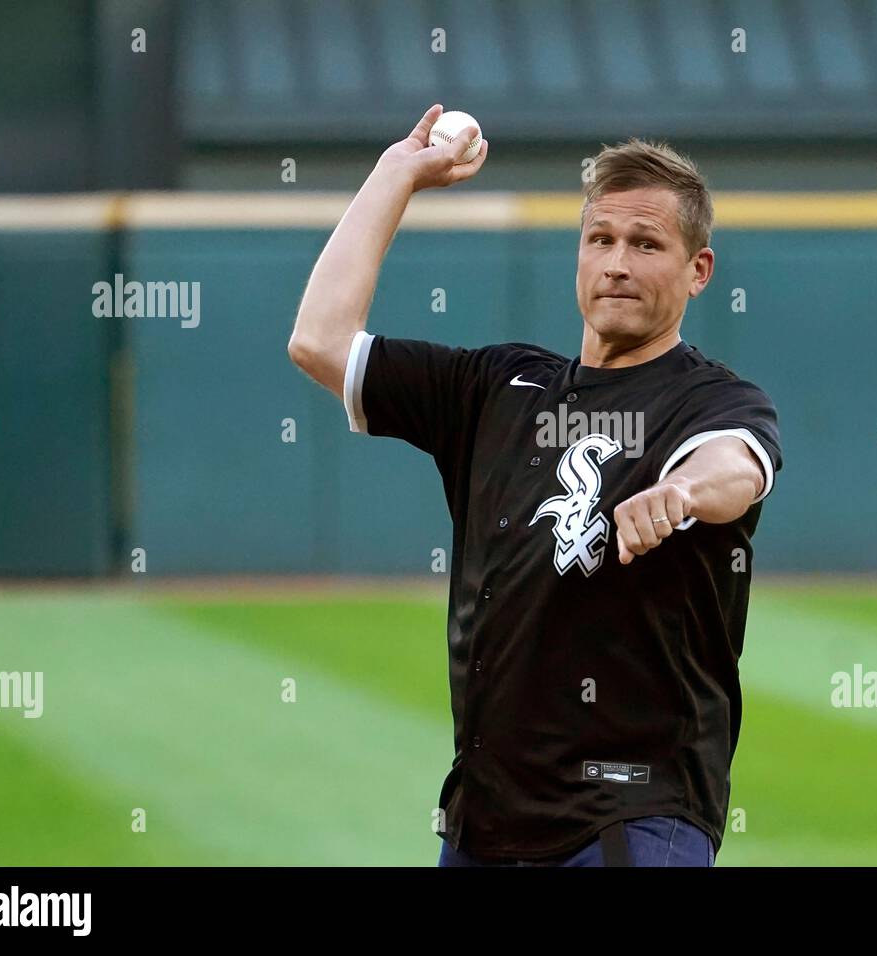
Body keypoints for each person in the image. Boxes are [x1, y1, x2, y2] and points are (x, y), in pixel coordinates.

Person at [288, 105, 783, 867]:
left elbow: (737, 468)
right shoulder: (497, 387)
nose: (617, 262)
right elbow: (319, 341)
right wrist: (397, 175)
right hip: (485, 822)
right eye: (601, 239)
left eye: (646, 243)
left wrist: (681, 494)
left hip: (633, 818)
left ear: (698, 270)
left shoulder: (711, 401)